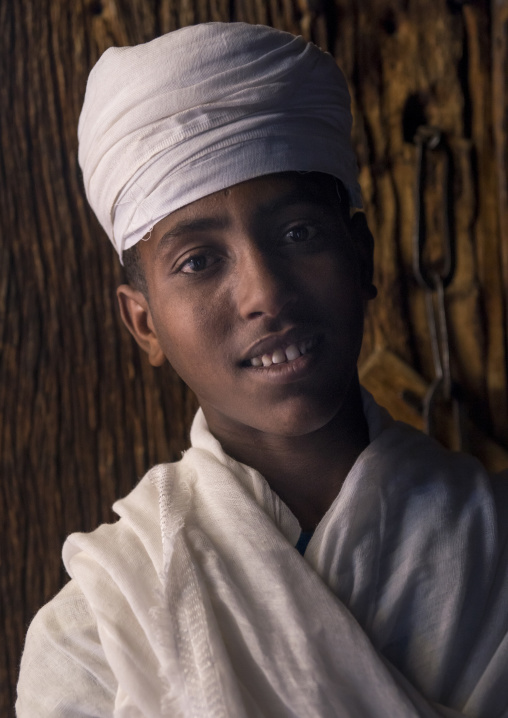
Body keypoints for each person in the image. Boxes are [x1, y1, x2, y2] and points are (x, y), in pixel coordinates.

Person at [16, 22, 508, 718]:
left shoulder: (498, 550)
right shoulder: (96, 637)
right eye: (199, 261)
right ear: (145, 322)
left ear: (362, 256)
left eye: (298, 233)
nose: (265, 294)